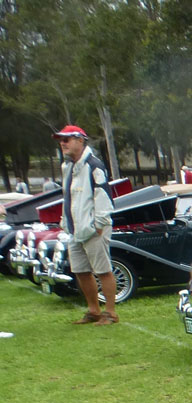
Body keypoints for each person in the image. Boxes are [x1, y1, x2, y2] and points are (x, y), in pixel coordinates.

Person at [54, 125, 119, 325]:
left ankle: (110, 312)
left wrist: (98, 224)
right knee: (81, 270)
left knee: (102, 269)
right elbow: (68, 197)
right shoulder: (68, 167)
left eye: (67, 139)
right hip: (75, 228)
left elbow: (102, 196)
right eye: (61, 140)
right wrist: (65, 221)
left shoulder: (94, 164)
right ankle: (94, 310)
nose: (62, 143)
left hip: (93, 227)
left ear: (80, 140)